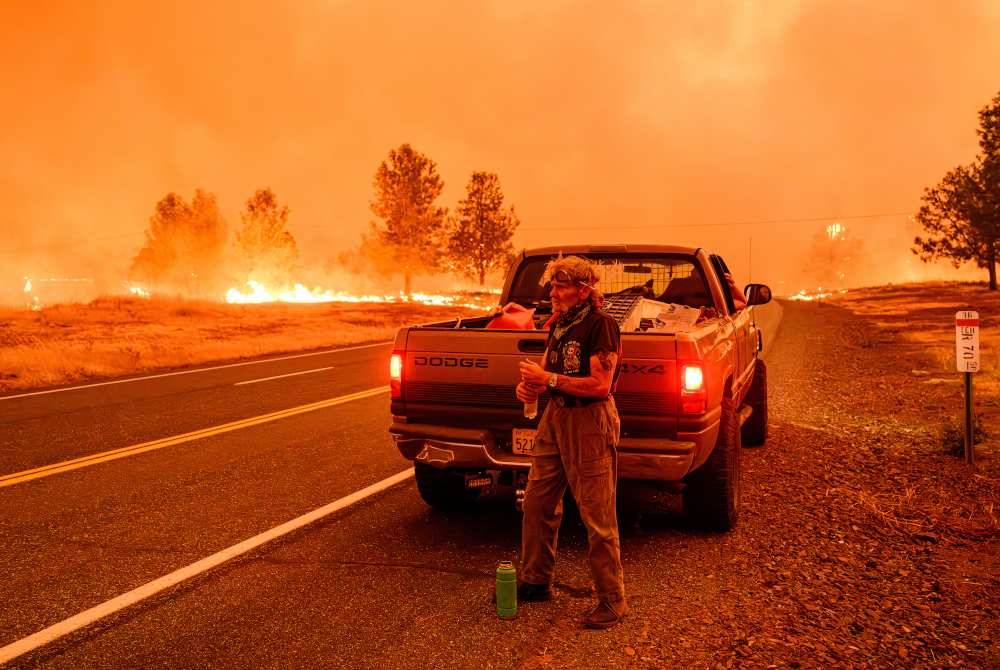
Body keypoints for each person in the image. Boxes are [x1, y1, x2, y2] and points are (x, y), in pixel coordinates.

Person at [515, 255, 627, 629]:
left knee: (597, 513)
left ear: (583, 290)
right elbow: (547, 373)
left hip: (590, 421)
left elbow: (600, 385)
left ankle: (612, 599)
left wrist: (546, 380)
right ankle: (535, 580)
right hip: (556, 417)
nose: (553, 292)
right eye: (553, 284)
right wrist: (528, 387)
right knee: (537, 501)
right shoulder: (561, 324)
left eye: (560, 286)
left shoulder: (601, 325)